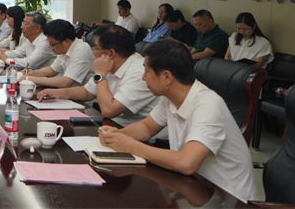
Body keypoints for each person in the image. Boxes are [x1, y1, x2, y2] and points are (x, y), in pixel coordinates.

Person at [97, 40, 258, 202]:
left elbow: (186, 163)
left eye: (146, 71)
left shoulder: (208, 105)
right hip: (192, 188)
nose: (143, 77)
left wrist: (131, 146)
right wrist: (118, 135)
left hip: (226, 198)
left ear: (167, 77)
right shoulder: (170, 97)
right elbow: (147, 127)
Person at [36, 25, 158, 126]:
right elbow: (86, 92)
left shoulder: (139, 72)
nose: (94, 52)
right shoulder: (109, 64)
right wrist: (57, 93)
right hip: (116, 124)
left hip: (145, 136)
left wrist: (100, 74)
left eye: (96, 48)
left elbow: (109, 110)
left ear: (110, 53)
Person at [19, 19, 95, 88]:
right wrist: (34, 73)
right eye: (49, 43)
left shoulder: (81, 50)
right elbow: (52, 70)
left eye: (52, 44)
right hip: (71, 92)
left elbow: (65, 82)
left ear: (67, 41)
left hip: (86, 97)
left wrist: (31, 79)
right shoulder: (64, 48)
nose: (50, 47)